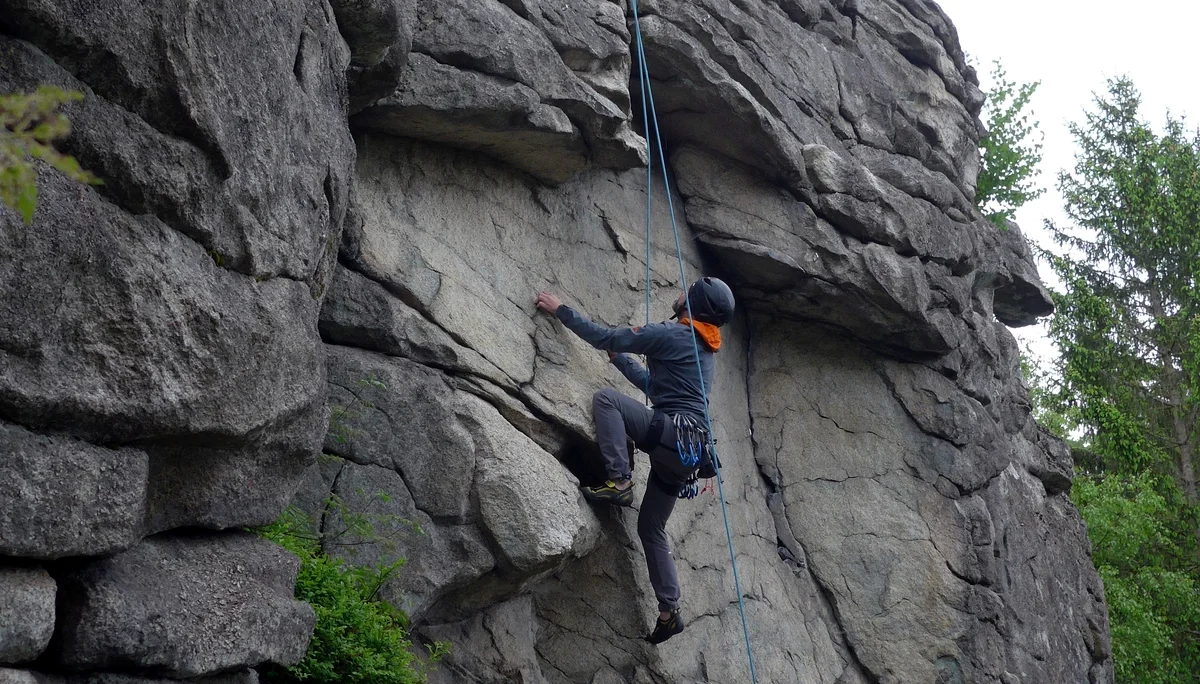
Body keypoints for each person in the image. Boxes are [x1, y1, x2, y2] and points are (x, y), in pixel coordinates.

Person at [533, 277, 735, 645]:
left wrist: (560, 310)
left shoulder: (674, 334)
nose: (679, 292)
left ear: (693, 301)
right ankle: (669, 611)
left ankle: (620, 481)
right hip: (688, 454)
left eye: (686, 290)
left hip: (673, 435)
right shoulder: (701, 345)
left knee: (607, 400)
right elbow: (658, 390)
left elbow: (603, 336)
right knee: (651, 528)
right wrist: (622, 362)